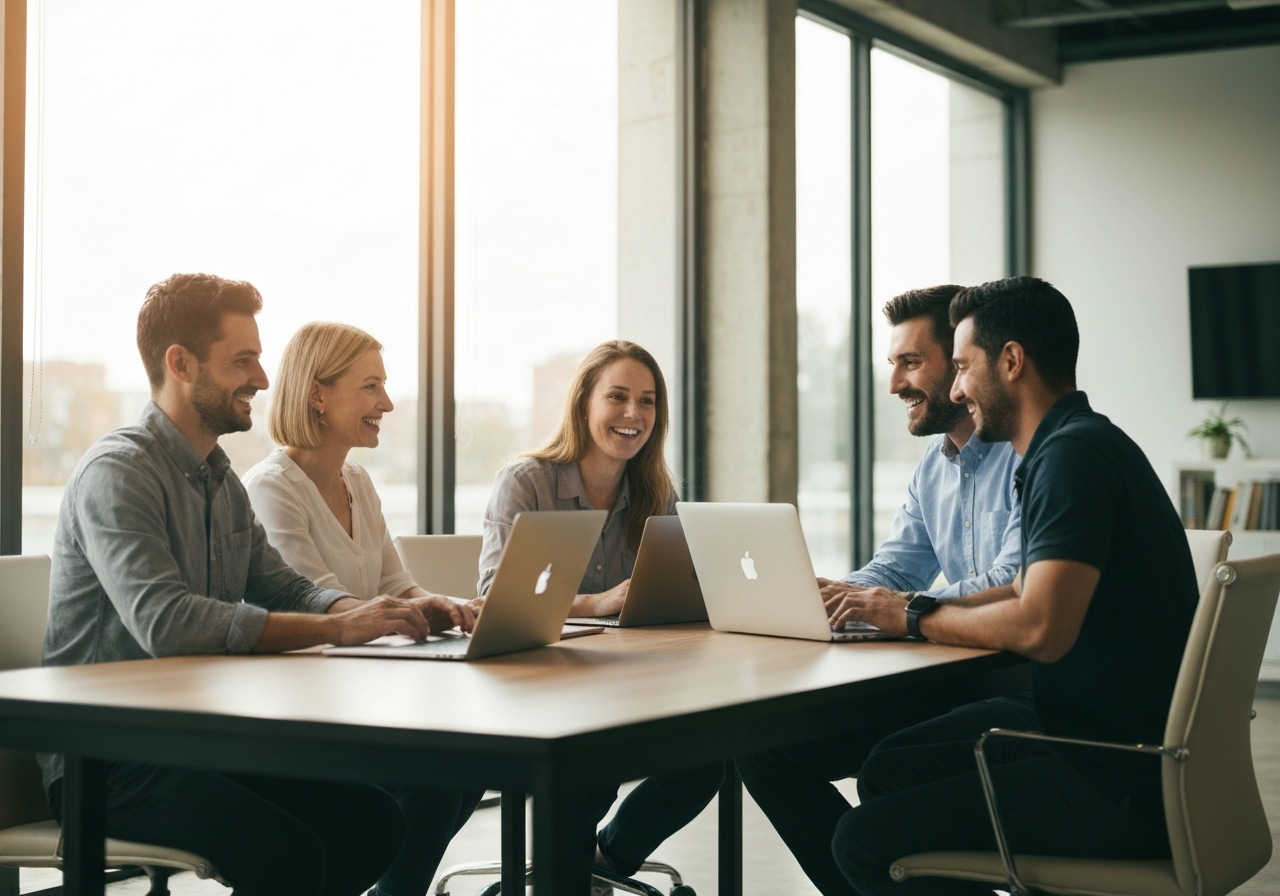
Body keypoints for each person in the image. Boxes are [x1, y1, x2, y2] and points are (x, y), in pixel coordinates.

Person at [40, 274, 473, 896]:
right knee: (287, 854)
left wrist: (374, 613)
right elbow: (166, 623)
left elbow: (287, 588)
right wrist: (338, 626)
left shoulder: (219, 477)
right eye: (243, 361)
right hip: (112, 758)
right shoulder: (120, 471)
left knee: (372, 824)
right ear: (180, 364)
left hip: (199, 740)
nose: (264, 379)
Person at [830, 276, 1198, 895]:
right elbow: (1021, 587)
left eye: (965, 367)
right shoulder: (1075, 443)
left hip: (1117, 778)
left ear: (1011, 362)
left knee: (860, 841)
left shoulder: (1070, 460)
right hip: (1116, 747)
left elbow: (1038, 628)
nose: (956, 389)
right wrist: (886, 603)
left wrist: (913, 617)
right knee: (890, 769)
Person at [736, 284, 1030, 896]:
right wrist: (831, 595)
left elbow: (1011, 582)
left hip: (1012, 680)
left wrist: (899, 610)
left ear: (962, 365)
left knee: (886, 769)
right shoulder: (934, 469)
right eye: (892, 363)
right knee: (766, 754)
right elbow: (897, 568)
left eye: (910, 362)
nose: (894, 383)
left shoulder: (1030, 456)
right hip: (952, 675)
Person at [243, 322, 482, 896]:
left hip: (359, 697)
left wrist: (442, 604)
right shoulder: (271, 487)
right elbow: (319, 604)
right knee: (442, 774)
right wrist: (400, 614)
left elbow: (396, 586)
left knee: (468, 763)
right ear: (317, 395)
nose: (388, 403)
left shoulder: (358, 480)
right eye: (371, 386)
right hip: (299, 712)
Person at [480, 340, 723, 895]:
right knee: (590, 755)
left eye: (648, 401)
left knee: (710, 753)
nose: (633, 414)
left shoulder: (655, 491)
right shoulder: (527, 481)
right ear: (584, 402)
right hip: (536, 685)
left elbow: (665, 596)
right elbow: (495, 599)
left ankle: (603, 860)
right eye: (617, 397)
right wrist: (598, 602)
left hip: (625, 682)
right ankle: (564, 878)